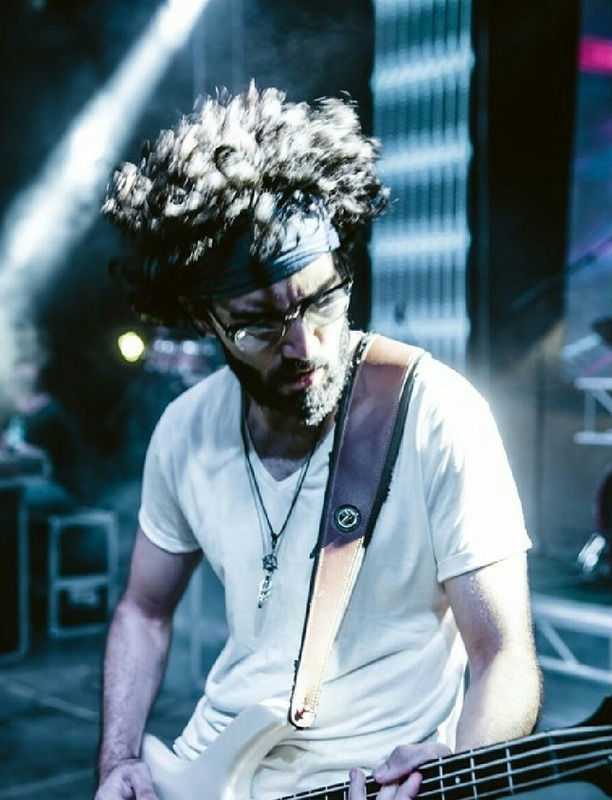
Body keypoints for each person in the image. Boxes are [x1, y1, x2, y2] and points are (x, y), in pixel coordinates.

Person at [96, 84, 541, 800]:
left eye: (323, 299)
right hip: (210, 767)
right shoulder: (184, 431)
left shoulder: (437, 414)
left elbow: (504, 656)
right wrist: (118, 759)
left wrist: (461, 769)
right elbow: (144, 611)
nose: (305, 346)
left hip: (364, 781)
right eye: (259, 326)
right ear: (206, 322)